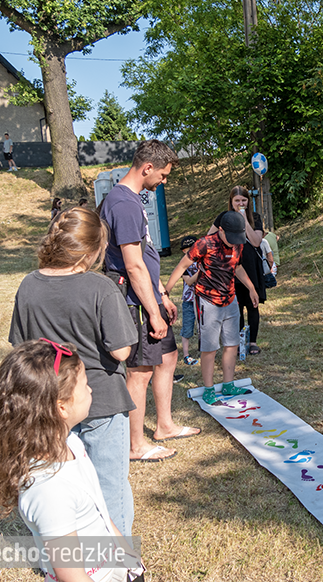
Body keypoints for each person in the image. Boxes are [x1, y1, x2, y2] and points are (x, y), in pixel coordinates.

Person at [9, 207, 139, 535]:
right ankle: (115, 559)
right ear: (92, 251)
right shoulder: (101, 287)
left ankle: (63, 555)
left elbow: (20, 347)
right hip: (101, 401)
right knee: (110, 485)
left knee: (53, 482)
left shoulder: (28, 286)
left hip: (49, 401)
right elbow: (121, 350)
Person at [0, 340, 143, 581]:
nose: (90, 390)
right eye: (85, 384)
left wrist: (132, 562)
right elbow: (73, 577)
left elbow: (101, 512)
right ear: (62, 408)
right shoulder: (49, 490)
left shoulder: (72, 445)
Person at [99, 139, 199, 463]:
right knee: (140, 373)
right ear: (147, 168)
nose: (163, 182)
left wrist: (160, 294)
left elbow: (144, 254)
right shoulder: (123, 204)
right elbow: (132, 264)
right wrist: (153, 311)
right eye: (163, 175)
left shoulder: (131, 200)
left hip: (147, 295)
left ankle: (165, 425)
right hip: (133, 300)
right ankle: (135, 445)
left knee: (168, 357)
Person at [165, 211, 258, 404]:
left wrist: (251, 288)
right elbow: (182, 266)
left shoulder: (238, 243)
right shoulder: (204, 244)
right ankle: (208, 389)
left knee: (232, 344)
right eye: (230, 238)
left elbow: (238, 267)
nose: (233, 242)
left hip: (230, 300)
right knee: (209, 347)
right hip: (208, 301)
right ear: (221, 230)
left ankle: (228, 384)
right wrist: (166, 291)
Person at [207, 186, 266, 355]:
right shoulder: (223, 218)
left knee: (252, 304)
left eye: (244, 200)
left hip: (251, 265)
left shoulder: (255, 218)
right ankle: (239, 340)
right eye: (237, 201)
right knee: (235, 305)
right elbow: (209, 238)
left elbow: (256, 241)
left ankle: (253, 341)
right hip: (231, 265)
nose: (241, 203)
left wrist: (244, 221)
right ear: (231, 202)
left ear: (248, 201)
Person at [178, 235, 200, 366]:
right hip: (188, 300)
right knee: (187, 327)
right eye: (187, 250)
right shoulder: (183, 264)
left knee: (204, 326)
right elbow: (189, 281)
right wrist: (202, 271)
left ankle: (204, 350)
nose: (190, 252)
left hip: (203, 298)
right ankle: (186, 355)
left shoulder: (203, 260)